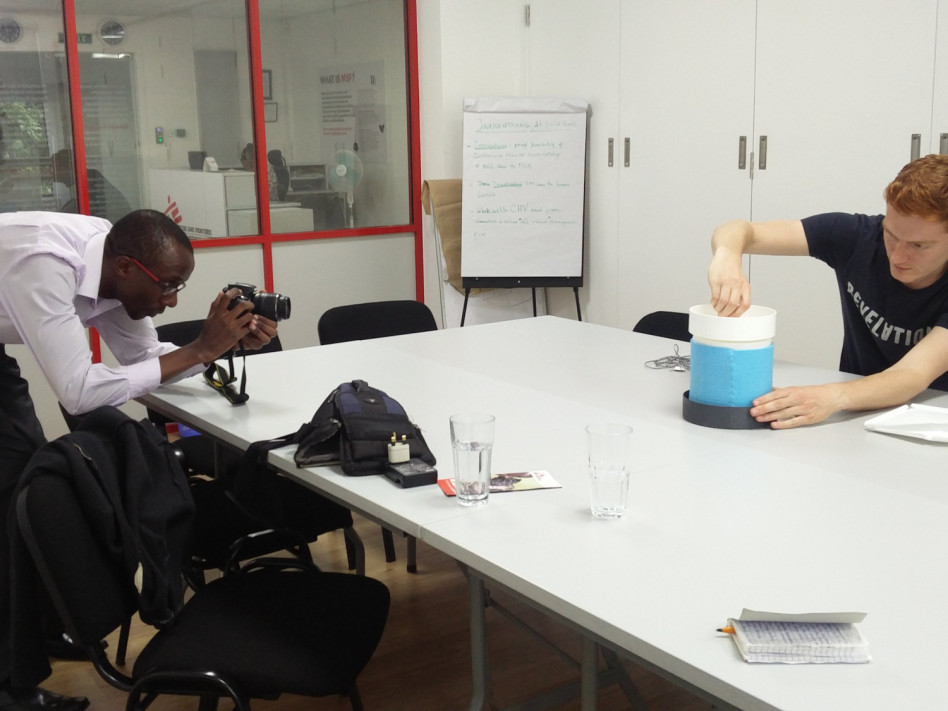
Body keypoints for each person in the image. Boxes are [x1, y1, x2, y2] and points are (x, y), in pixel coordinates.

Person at [0, 209, 278, 710]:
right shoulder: (45, 264)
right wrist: (199, 349)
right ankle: (9, 688)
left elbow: (143, 361)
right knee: (11, 496)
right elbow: (79, 391)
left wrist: (221, 346)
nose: (171, 301)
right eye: (168, 286)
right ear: (127, 268)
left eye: (179, 286)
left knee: (24, 485)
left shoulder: (113, 265)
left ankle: (38, 630)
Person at [708, 153, 948, 430]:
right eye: (891, 235)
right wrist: (727, 255)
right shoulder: (856, 237)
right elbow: (741, 230)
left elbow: (911, 375)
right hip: (853, 416)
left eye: (919, 246)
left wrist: (829, 397)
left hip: (932, 418)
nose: (897, 256)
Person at [49, 149, 132, 224]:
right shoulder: (86, 182)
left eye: (54, 166)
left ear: (68, 166)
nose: (51, 170)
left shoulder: (93, 183)